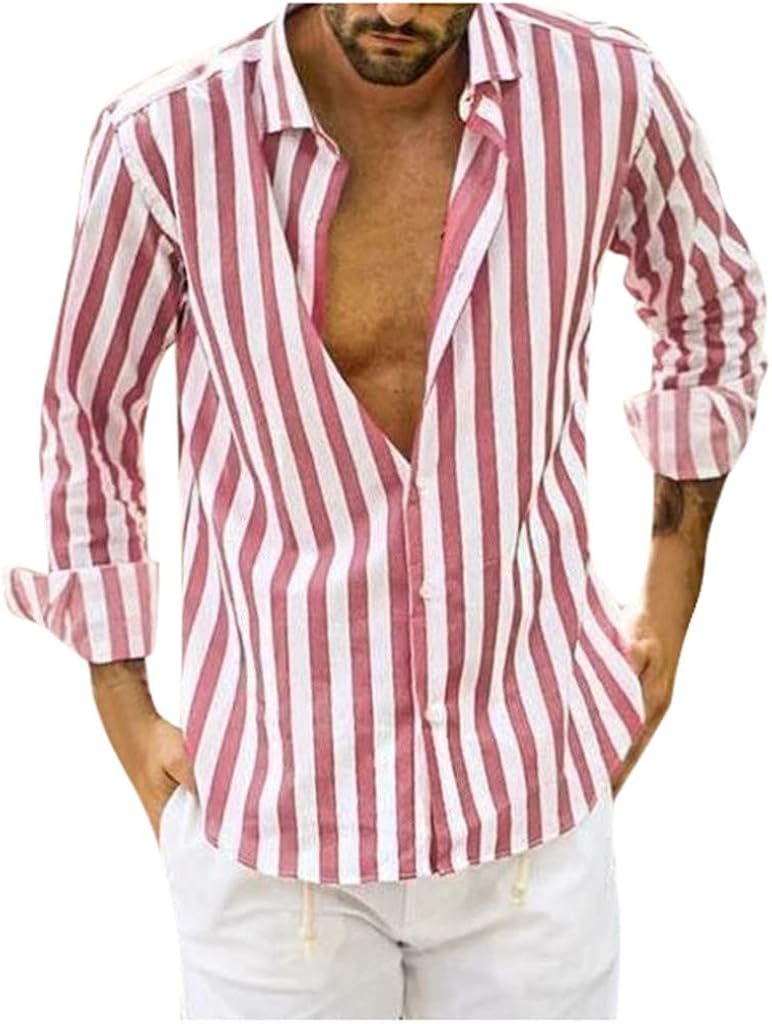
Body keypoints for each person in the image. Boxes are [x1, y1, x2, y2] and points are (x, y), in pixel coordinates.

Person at [4, 2, 767, 1018]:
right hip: (275, 839)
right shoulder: (168, 138)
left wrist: (667, 613)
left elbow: (713, 312)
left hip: (531, 821)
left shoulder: (605, 92)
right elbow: (87, 414)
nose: (397, 10)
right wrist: (124, 705)